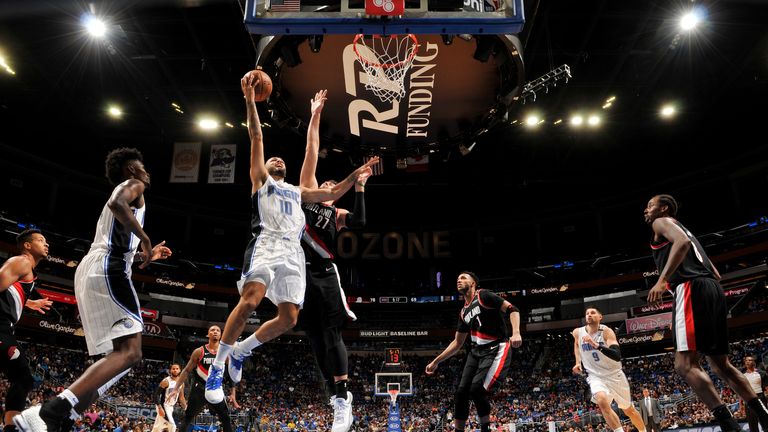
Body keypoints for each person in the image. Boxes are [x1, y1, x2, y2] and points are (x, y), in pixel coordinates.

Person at [204, 71, 378, 404]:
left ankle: (241, 351)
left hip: (293, 259)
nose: (278, 159)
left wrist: (356, 176)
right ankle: (218, 366)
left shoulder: (299, 193)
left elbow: (337, 191)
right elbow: (257, 137)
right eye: (273, 160)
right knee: (251, 300)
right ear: (265, 169)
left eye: (280, 159)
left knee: (288, 319)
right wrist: (249, 101)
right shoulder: (261, 183)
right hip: (266, 247)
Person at [15, 147, 173, 432]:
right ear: (131, 170)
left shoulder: (133, 198)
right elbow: (116, 203)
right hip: (107, 269)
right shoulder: (132, 185)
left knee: (121, 358)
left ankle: (63, 418)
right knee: (131, 352)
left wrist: (144, 255)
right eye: (142, 166)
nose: (146, 171)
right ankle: (50, 411)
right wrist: (146, 239)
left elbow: (119, 245)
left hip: (100, 267)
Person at [644, 194, 768, 432]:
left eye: (650, 206)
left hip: (690, 288)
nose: (646, 211)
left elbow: (681, 243)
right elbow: (715, 271)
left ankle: (728, 425)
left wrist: (662, 280)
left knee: (684, 364)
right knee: (721, 364)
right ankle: (763, 414)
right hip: (712, 288)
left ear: (664, 208)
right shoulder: (688, 231)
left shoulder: (662, 222)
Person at [296, 89, 370, 432]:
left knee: (330, 331)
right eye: (327, 182)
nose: (327, 183)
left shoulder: (336, 212)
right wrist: (315, 114)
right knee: (312, 336)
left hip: (324, 272)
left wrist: (360, 187)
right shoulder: (308, 193)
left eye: (332, 185)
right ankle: (335, 397)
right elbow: (312, 149)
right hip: (297, 273)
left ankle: (343, 395)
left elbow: (360, 223)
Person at [425, 271, 522, 432]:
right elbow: (457, 343)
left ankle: (485, 428)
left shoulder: (483, 295)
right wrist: (436, 362)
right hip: (476, 352)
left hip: (496, 347)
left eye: (463, 278)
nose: (459, 280)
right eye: (457, 278)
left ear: (473, 283)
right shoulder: (463, 312)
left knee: (476, 389)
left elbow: (513, 309)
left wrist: (516, 332)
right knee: (461, 393)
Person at [0, 229, 54, 432]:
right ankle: (10, 428)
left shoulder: (27, 270)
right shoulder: (21, 262)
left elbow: (8, 290)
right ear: (27, 245)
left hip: (6, 327)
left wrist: (28, 302)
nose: (46, 244)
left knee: (22, 377)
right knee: (23, 376)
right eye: (41, 240)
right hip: (1, 326)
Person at [571, 307, 646, 432]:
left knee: (629, 410)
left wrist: (595, 345)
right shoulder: (578, 332)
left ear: (600, 317)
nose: (589, 315)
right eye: (587, 313)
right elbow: (577, 344)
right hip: (595, 375)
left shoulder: (607, 332)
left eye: (593, 313)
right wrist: (578, 362)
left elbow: (617, 356)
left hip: (614, 374)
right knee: (601, 400)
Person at [174, 326, 235, 432]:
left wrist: (233, 393)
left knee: (225, 418)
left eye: (218, 330)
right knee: (188, 417)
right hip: (199, 389)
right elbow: (186, 370)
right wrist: (176, 388)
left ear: (221, 335)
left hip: (216, 388)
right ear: (208, 334)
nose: (215, 332)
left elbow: (231, 374)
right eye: (212, 330)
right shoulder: (199, 351)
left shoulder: (225, 353)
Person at [152, 363, 186, 432]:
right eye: (173, 369)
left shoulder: (181, 383)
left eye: (177, 369)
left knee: (157, 428)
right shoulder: (166, 381)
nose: (175, 370)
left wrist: (186, 408)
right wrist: (160, 408)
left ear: (180, 370)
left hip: (171, 406)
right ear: (170, 370)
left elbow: (181, 398)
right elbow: (156, 395)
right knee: (172, 426)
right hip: (163, 405)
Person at [741, 356, 768, 432]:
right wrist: (741, 405)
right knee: (752, 424)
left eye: (750, 360)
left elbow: (766, 389)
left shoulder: (761, 373)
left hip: (760, 397)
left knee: (765, 421)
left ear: (753, 362)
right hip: (748, 400)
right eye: (746, 360)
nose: (748, 362)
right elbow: (741, 390)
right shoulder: (742, 375)